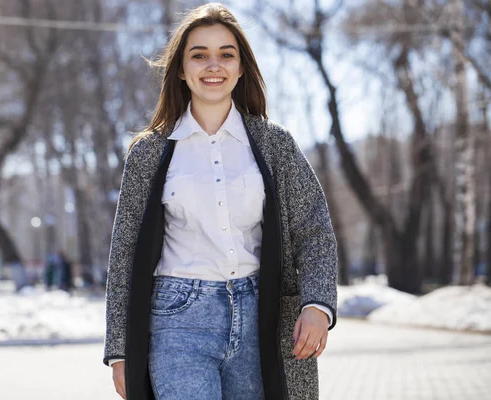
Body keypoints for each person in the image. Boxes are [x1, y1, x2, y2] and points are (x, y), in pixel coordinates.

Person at [103, 3, 338, 399]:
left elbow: (314, 229)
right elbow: (125, 251)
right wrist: (120, 350)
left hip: (261, 317)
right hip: (177, 321)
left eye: (226, 54)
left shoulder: (274, 144)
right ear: (181, 69)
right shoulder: (150, 152)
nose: (213, 65)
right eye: (199, 55)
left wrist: (318, 304)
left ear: (241, 67)